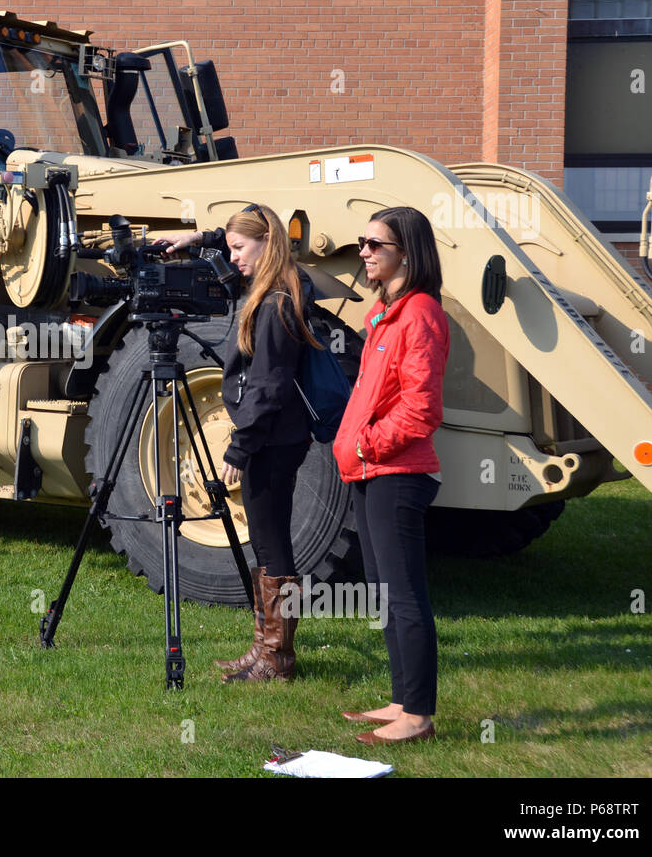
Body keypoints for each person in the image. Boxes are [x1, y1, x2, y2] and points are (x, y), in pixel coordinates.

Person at [162, 205, 319, 682]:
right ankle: (264, 649)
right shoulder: (282, 286)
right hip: (276, 438)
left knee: (273, 546)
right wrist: (202, 239)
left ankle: (277, 658)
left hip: (270, 441)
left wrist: (239, 447)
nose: (232, 260)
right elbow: (252, 227)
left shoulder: (274, 304)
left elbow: (269, 385)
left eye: (238, 249)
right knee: (269, 547)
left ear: (266, 244)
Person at [332, 206, 449, 744]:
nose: (364, 252)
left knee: (404, 596)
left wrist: (367, 443)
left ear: (408, 252)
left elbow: (422, 409)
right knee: (384, 592)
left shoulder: (420, 313)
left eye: (375, 244)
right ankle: (401, 699)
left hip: (397, 471)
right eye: (364, 242)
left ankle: (418, 717)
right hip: (369, 469)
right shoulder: (386, 314)